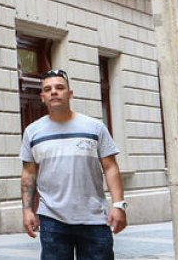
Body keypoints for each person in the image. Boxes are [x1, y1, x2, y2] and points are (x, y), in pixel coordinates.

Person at [21, 69, 127, 260]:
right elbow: (29, 173)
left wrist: (119, 205)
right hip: (53, 220)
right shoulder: (32, 132)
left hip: (94, 218)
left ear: (70, 94)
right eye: (48, 89)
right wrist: (27, 210)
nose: (54, 92)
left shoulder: (95, 127)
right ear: (42, 97)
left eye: (60, 87)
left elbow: (110, 167)